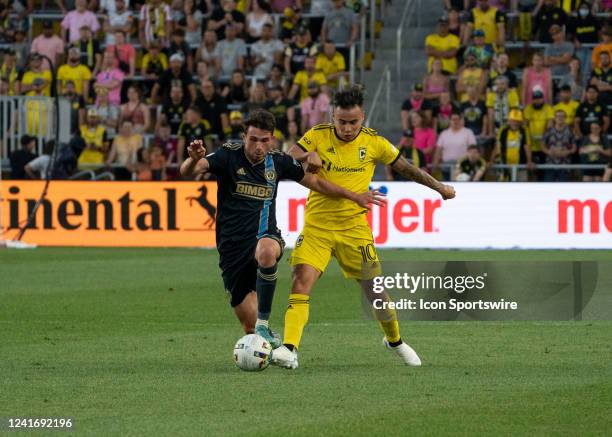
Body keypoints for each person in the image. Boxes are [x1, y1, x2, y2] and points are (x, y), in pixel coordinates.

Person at [271, 85, 456, 369]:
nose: (347, 128)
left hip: (354, 229)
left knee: (376, 291)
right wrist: (308, 157)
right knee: (301, 281)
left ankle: (395, 341)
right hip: (317, 226)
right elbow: (287, 158)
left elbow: (407, 168)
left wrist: (439, 187)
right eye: (342, 121)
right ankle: (289, 348)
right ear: (333, 116)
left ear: (363, 118)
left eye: (353, 122)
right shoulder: (317, 134)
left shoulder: (374, 143)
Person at [179, 108, 383, 347]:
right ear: (244, 136)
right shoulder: (227, 156)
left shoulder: (277, 161)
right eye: (253, 139)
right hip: (231, 246)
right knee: (249, 328)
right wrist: (193, 159)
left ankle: (264, 325)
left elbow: (315, 182)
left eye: (264, 140)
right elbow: (188, 172)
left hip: (266, 236)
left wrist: (352, 195)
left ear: (272, 139)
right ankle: (264, 338)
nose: (259, 146)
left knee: (266, 251)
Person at [492, 109, 534, 181]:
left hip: (521, 164)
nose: (515, 123)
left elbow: (527, 146)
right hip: (505, 165)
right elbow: (497, 146)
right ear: (509, 121)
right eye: (513, 120)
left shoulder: (524, 130)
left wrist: (529, 161)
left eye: (517, 121)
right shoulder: (503, 130)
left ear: (520, 122)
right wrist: (492, 160)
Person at [433, 112, 477, 180]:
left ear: (461, 120)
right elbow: (438, 150)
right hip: (446, 167)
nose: (455, 121)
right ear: (450, 121)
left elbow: (473, 149)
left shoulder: (468, 132)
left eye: (457, 119)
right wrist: (435, 164)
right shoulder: (444, 133)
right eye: (453, 119)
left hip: (463, 166)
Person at [542, 110, 576, 182]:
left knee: (563, 189)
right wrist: (548, 152)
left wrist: (568, 152)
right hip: (550, 164)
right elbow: (542, 145)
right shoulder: (548, 130)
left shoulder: (570, 131)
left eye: (562, 116)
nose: (560, 118)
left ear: (565, 118)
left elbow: (574, 147)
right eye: (558, 116)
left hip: (565, 164)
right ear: (554, 118)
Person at [523, 89, 554, 170]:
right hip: (531, 145)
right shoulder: (528, 108)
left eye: (539, 98)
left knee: (543, 169)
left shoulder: (548, 108)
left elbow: (550, 124)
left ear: (543, 99)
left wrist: (545, 137)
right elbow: (525, 125)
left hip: (544, 144)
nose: (537, 101)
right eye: (535, 99)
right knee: (531, 169)